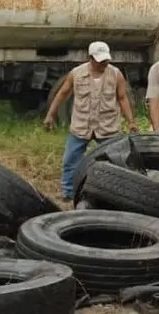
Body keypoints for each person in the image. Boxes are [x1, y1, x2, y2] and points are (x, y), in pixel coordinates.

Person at [44, 41, 138, 200]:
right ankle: (68, 193)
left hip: (107, 126)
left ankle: (114, 194)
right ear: (90, 58)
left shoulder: (116, 74)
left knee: (117, 161)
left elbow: (122, 98)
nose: (103, 64)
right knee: (70, 161)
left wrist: (131, 121)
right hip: (81, 125)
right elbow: (62, 94)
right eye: (100, 60)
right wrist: (50, 114)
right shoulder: (76, 73)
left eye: (106, 61)